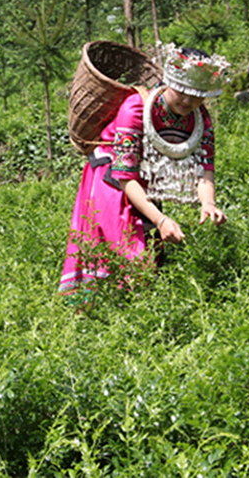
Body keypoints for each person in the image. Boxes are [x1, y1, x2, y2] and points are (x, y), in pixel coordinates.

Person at [60, 44, 229, 304]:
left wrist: (208, 203)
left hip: (147, 180)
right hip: (111, 177)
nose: (187, 101)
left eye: (196, 96)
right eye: (181, 92)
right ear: (168, 82)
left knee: (153, 251)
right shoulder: (136, 108)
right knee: (126, 250)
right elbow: (125, 176)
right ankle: (101, 318)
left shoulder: (200, 119)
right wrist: (161, 220)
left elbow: (204, 168)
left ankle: (145, 317)